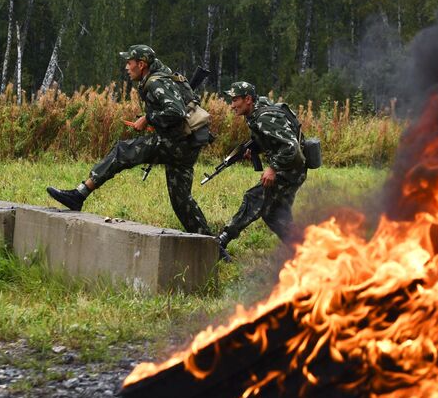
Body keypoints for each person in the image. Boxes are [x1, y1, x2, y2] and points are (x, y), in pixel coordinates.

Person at [46, 44, 216, 241]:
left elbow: (176, 112)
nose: (126, 67)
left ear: (141, 64)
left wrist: (148, 118)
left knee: (122, 151)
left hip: (175, 144)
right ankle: (213, 246)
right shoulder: (164, 75)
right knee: (181, 201)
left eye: (129, 63)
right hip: (188, 144)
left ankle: (78, 195)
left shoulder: (155, 83)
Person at [216, 81, 307, 256]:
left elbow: (291, 146)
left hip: (290, 169)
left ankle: (222, 239)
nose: (232, 105)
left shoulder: (263, 117)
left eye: (235, 100)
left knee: (254, 197)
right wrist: (256, 148)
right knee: (274, 214)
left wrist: (273, 168)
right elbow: (273, 140)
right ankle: (304, 251)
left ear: (248, 99)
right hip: (293, 168)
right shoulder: (255, 112)